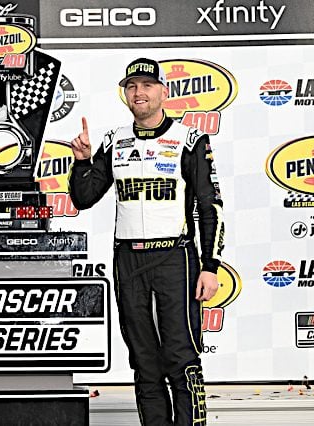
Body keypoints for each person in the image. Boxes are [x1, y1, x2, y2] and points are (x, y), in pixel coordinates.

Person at [69, 57, 224, 425]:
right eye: (132, 87)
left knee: (181, 355)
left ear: (164, 92)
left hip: (175, 256)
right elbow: (84, 198)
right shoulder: (114, 140)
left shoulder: (189, 139)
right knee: (143, 358)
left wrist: (210, 265)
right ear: (125, 94)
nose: (139, 93)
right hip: (129, 259)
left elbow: (209, 205)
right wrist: (81, 162)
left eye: (147, 85)